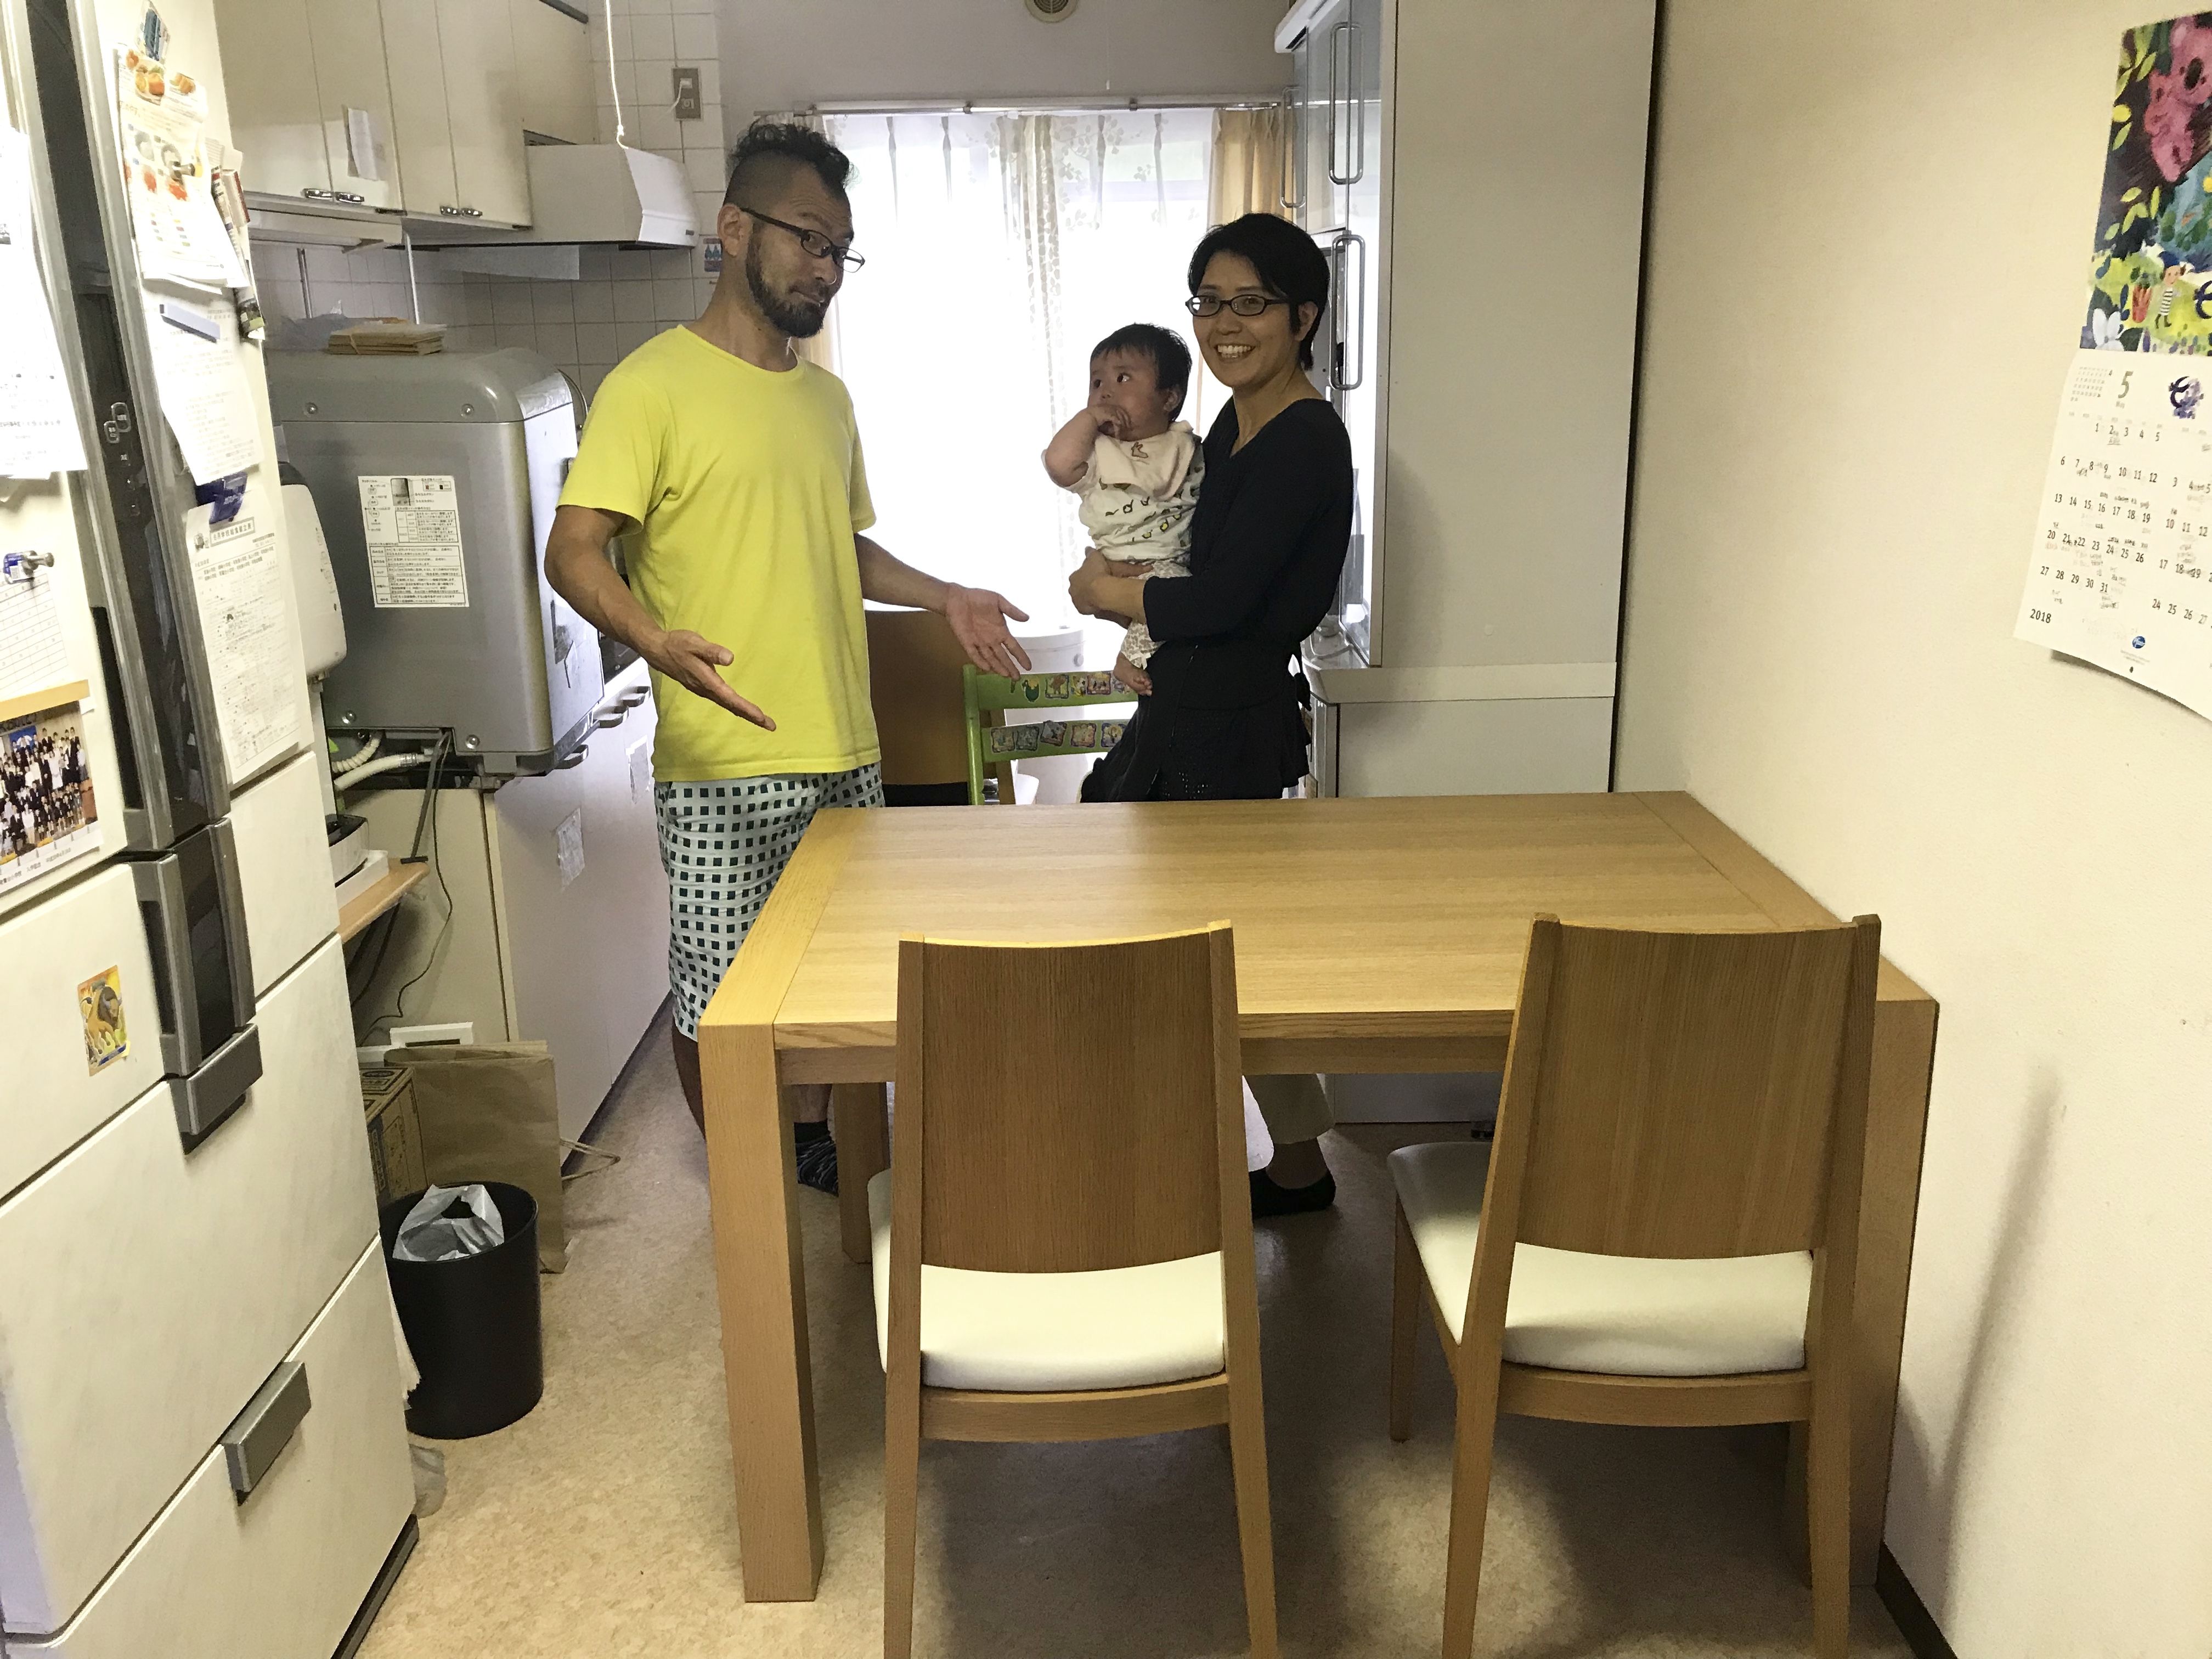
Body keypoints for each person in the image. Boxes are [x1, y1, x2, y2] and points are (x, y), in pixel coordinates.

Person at [545, 122, 1031, 1193]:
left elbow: (838, 545)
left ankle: (811, 1142)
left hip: (845, 751)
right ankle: (747, 1181)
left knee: (836, 982)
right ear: (734, 230)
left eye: (840, 249)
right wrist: (652, 638)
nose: (827, 268)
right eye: (809, 239)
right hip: (722, 758)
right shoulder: (651, 386)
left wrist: (943, 593)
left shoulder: (825, 399)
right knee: (717, 994)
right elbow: (571, 548)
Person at [1069, 212, 1354, 1215]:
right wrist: (1139, 612)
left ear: (1302, 316)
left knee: (1192, 958)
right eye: (1209, 302)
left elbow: (1227, 600)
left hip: (1228, 726)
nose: (1225, 325)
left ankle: (1179, 1163)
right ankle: (1294, 1163)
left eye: (1251, 303)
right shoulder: (1234, 424)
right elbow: (1187, 559)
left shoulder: (1305, 439)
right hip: (1192, 705)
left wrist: (1112, 596)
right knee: (1219, 954)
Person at [1040, 324, 1202, 682]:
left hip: (1167, 565)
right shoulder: (1098, 453)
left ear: (1169, 398)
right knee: (1163, 600)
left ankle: (1130, 656)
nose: (1105, 392)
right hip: (1112, 562)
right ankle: (1130, 659)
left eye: (1123, 378)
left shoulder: (1186, 447)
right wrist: (1087, 420)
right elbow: (1058, 464)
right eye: (1096, 382)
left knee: (1172, 596)